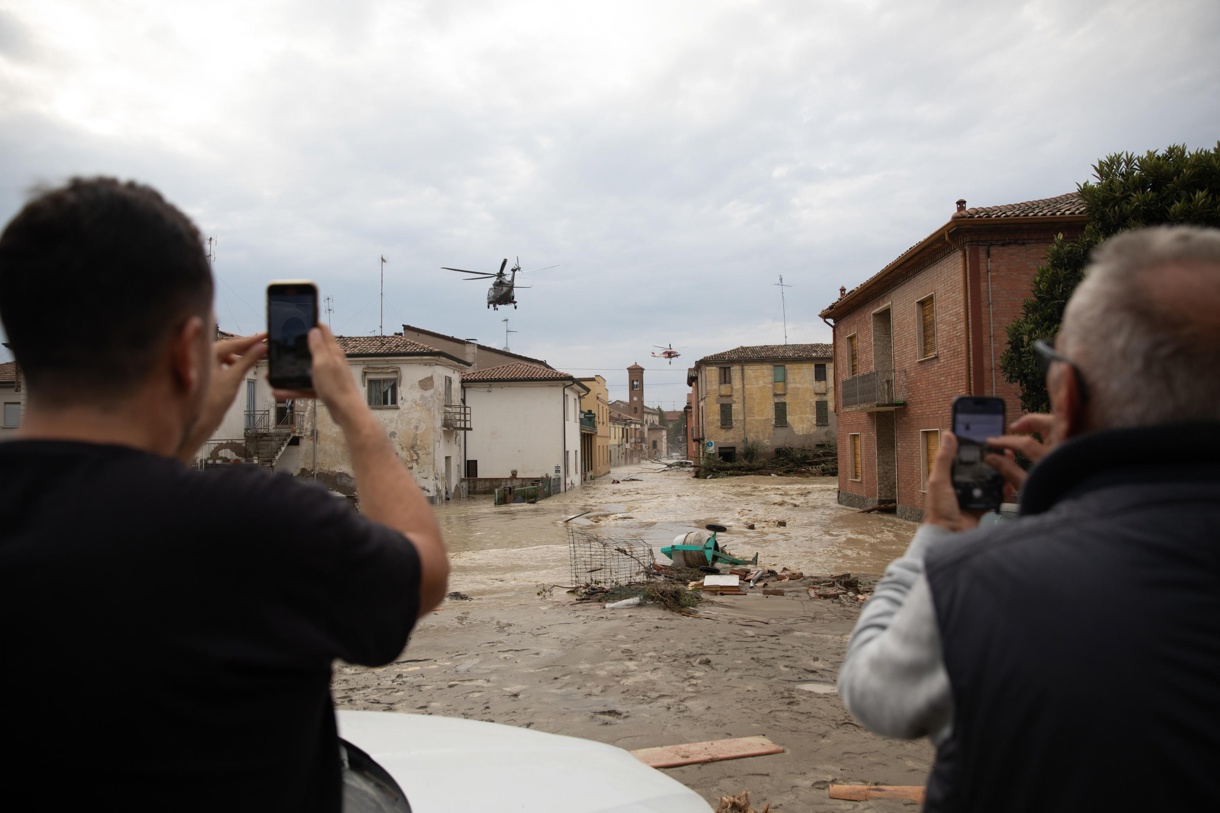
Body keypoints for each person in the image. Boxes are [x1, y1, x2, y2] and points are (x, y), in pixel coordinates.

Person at [0, 178, 449, 810]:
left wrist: (180, 434)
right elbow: (422, 572)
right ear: (190, 354)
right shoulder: (259, 523)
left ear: (20, 355)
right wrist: (354, 411)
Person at [837, 225, 1220, 811]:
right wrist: (1060, 501)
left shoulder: (978, 583)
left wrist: (939, 537)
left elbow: (872, 691)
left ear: (1067, 397)